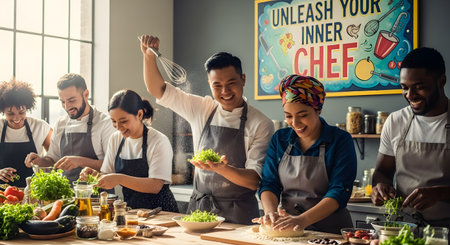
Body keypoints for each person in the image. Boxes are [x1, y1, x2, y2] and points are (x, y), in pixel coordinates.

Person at [139, 35, 274, 225]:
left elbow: (254, 180)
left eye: (231, 83)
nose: (225, 91)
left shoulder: (261, 123)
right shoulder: (202, 109)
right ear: (210, 85)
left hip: (239, 216)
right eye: (217, 85)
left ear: (243, 79)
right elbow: (158, 90)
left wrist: (222, 168)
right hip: (199, 213)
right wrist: (148, 56)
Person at [253, 75, 357, 234]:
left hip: (330, 231)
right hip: (288, 230)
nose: (295, 123)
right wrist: (270, 214)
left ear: (318, 110)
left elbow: (339, 191)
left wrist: (302, 220)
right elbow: (269, 183)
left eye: (303, 115)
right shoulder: (280, 140)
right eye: (288, 116)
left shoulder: (340, 140)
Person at [371, 47, 450, 228]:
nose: (410, 95)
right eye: (404, 88)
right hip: (404, 228)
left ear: (441, 81)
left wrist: (440, 193)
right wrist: (380, 186)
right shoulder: (396, 121)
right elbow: (382, 171)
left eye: (419, 87)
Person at [80, 90, 178, 211]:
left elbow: (155, 185)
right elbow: (106, 175)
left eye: (123, 121)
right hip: (132, 211)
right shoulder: (115, 139)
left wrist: (119, 178)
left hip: (160, 212)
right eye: (113, 121)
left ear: (140, 115)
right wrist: (93, 175)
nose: (118, 127)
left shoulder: (158, 141)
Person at [24, 74, 116, 184]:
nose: (67, 107)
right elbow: (53, 159)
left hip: (98, 196)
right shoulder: (61, 123)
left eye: (71, 100)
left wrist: (80, 161)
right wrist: (40, 161)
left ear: (86, 94)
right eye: (63, 102)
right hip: (66, 196)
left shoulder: (105, 123)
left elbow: (112, 166)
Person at [0, 79, 52, 187]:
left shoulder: (40, 127)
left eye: (21, 112)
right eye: (10, 114)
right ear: (3, 111)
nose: (17, 118)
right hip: (2, 195)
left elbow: (54, 160)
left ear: (27, 107)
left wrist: (41, 161)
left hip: (34, 193)